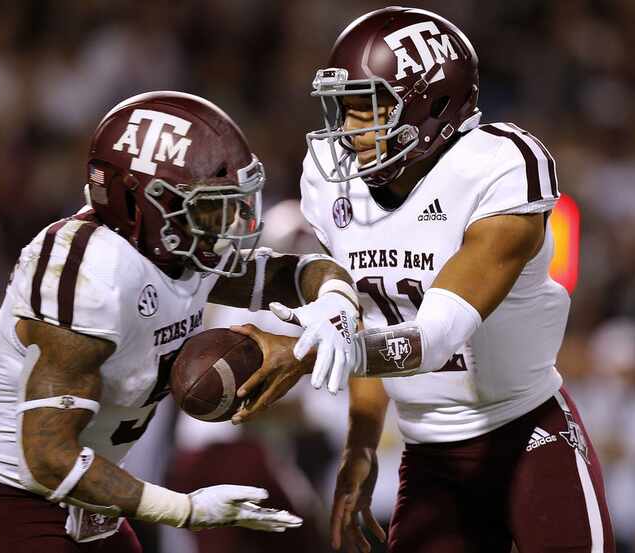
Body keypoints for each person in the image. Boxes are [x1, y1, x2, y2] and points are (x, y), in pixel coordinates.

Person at [232, 7, 615, 553]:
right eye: (344, 109)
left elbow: (434, 337)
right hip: (428, 452)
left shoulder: (499, 167)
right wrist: (361, 444)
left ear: (431, 104)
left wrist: (304, 352)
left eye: (369, 109)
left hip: (525, 433)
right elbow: (364, 311)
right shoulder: (329, 179)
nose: (348, 130)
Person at [0, 91, 361, 553]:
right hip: (11, 495)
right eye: (206, 205)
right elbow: (46, 455)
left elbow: (291, 273)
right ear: (140, 202)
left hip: (94, 504)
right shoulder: (90, 270)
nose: (228, 222)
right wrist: (186, 510)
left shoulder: (180, 251)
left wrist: (336, 302)